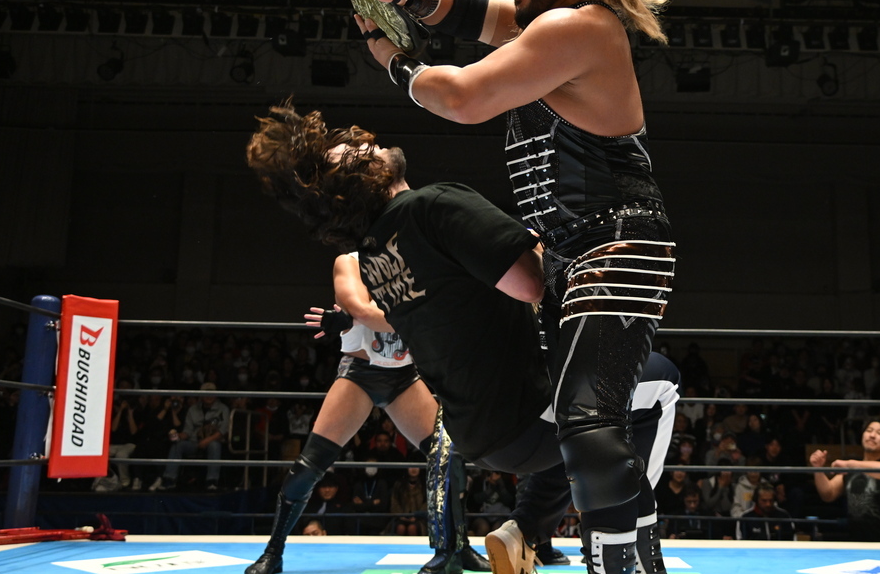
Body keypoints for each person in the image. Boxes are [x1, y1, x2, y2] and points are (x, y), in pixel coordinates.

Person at [350, 0, 689, 570]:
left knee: (588, 423)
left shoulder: (581, 25)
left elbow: (461, 97)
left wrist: (394, 60)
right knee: (586, 421)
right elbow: (474, 13)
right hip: (569, 252)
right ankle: (631, 556)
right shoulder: (548, 27)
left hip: (616, 242)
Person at [245, 104, 680, 574]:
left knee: (583, 417)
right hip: (525, 417)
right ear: (357, 178)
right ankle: (629, 541)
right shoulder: (434, 205)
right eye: (354, 149)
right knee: (656, 386)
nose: (367, 140)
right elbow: (532, 285)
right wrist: (561, 244)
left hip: (478, 435)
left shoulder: (374, 255)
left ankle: (527, 526)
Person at [243, 248, 491, 574]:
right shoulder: (350, 262)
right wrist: (393, 315)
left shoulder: (419, 259)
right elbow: (361, 308)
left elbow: (438, 305)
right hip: (360, 375)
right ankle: (272, 553)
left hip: (404, 376)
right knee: (308, 466)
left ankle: (458, 547)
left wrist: (368, 317)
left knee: (448, 457)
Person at [808, 419, 880, 542]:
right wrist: (818, 469)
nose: (872, 435)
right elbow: (828, 494)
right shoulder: (852, 466)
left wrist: (850, 464)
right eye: (869, 430)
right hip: (856, 541)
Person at [150, 382, 229, 492]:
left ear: (216, 395)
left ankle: (212, 482)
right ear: (200, 395)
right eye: (206, 393)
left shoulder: (223, 409)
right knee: (178, 444)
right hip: (194, 442)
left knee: (214, 445)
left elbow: (222, 431)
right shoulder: (193, 409)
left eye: (212, 393)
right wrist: (177, 436)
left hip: (213, 441)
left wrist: (206, 441)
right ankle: (169, 479)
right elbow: (187, 431)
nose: (209, 396)